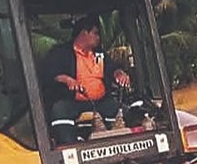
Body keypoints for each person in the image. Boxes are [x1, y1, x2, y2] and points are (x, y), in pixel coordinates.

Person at [38, 15, 131, 144]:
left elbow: (113, 68)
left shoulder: (100, 54)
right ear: (84, 33)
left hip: (100, 102)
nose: (99, 38)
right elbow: (47, 74)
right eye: (96, 33)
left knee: (125, 110)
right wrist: (66, 79)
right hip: (73, 102)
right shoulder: (61, 52)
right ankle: (69, 146)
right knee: (59, 110)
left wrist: (119, 73)